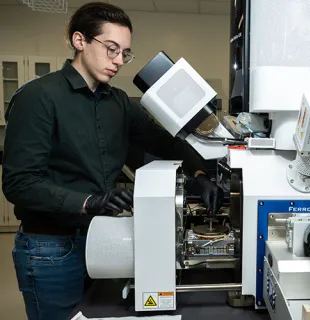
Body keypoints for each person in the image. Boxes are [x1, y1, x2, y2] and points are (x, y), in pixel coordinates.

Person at [2, 2, 223, 319]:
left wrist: (200, 173)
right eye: (111, 49)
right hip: (49, 248)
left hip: (101, 240)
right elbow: (20, 184)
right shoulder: (38, 97)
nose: (119, 61)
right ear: (81, 41)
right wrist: (90, 202)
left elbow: (164, 141)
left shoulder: (117, 102)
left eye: (125, 53)